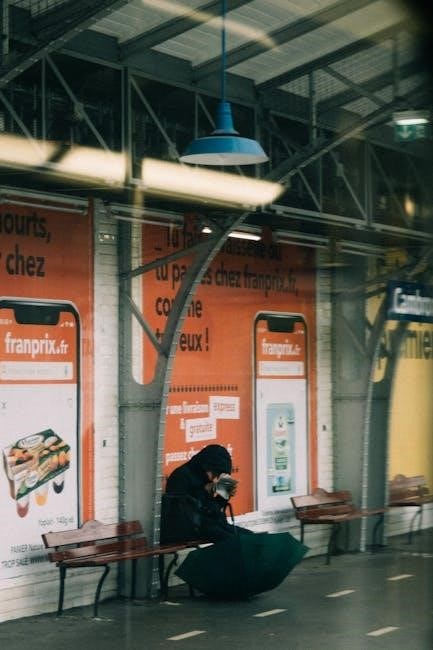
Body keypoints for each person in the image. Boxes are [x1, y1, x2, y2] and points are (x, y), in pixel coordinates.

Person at [160, 444, 252, 544]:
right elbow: (180, 512)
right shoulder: (181, 476)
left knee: (249, 536)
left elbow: (216, 505)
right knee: (232, 540)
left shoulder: (208, 473)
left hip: (211, 523)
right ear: (206, 466)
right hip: (192, 527)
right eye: (215, 473)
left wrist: (223, 494)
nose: (214, 478)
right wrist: (208, 506)